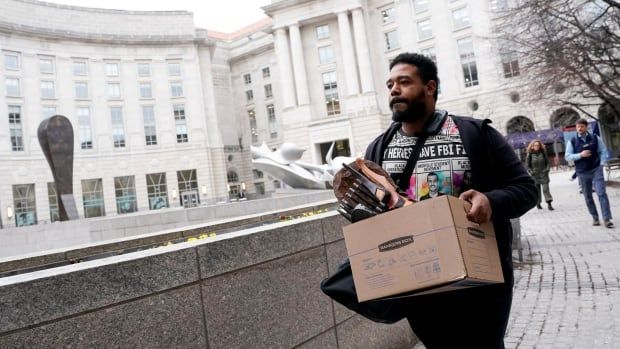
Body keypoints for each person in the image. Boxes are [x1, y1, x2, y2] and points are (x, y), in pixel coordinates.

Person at [364, 52, 537, 348]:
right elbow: (371, 214)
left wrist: (490, 201)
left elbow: (526, 188)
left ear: (430, 87)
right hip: (418, 286)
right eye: (390, 84)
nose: (394, 90)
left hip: (480, 284)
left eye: (404, 82)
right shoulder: (378, 148)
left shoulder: (475, 134)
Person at [565, 118, 614, 228]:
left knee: (601, 193)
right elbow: (567, 156)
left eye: (582, 126)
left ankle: (607, 219)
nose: (579, 129)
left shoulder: (595, 138)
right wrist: (580, 155)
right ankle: (595, 217)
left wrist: (601, 163)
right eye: (577, 127)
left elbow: (603, 151)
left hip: (596, 168)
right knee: (588, 196)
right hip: (582, 172)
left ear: (586, 127)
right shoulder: (572, 141)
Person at [526, 140, 554, 210]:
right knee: (537, 191)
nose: (536, 147)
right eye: (535, 145)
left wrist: (547, 169)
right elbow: (527, 166)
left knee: (545, 189)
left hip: (544, 174)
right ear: (532, 146)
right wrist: (531, 172)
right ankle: (538, 203)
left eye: (538, 145)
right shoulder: (530, 154)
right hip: (535, 175)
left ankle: (549, 204)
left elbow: (547, 162)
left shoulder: (543, 152)